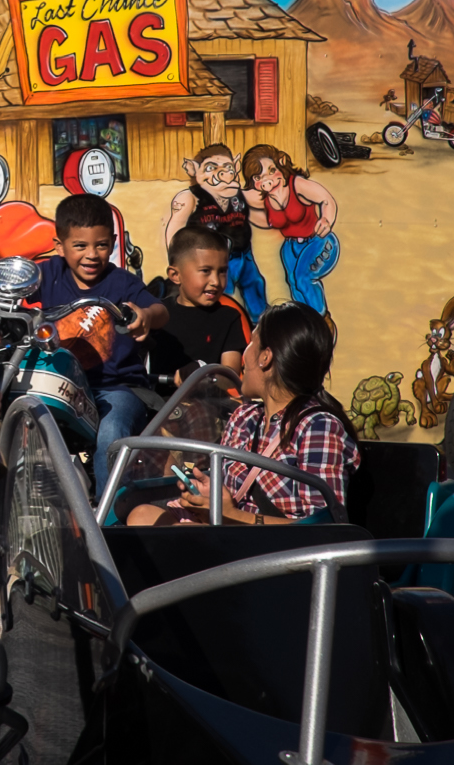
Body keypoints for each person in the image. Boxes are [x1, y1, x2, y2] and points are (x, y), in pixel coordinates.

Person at [128, 303, 359, 525]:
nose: (243, 356)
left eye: (249, 344)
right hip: (232, 536)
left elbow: (324, 528)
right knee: (142, 516)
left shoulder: (318, 427)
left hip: (276, 552)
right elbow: (231, 499)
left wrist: (231, 516)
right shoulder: (244, 417)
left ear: (265, 357)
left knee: (177, 535)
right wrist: (211, 496)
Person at [37, 193, 168, 494]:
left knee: (111, 432)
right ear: (60, 246)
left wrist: (146, 314)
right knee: (29, 418)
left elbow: (161, 311)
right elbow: (1, 271)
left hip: (118, 388)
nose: (92, 255)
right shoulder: (49, 274)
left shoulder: (122, 282)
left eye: (101, 245)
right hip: (61, 387)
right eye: (80, 246)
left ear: (113, 242)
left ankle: (111, 517)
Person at [160, 142, 268, 323]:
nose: (222, 173)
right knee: (220, 300)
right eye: (211, 168)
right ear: (194, 170)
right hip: (210, 264)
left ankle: (261, 328)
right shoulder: (190, 198)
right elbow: (174, 232)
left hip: (243, 255)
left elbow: (259, 214)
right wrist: (180, 264)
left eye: (227, 167)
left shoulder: (238, 194)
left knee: (255, 287)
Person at [240, 143, 340, 319]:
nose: (267, 180)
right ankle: (305, 319)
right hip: (291, 247)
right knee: (293, 282)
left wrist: (326, 219)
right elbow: (268, 222)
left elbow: (325, 199)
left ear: (281, 163)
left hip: (317, 240)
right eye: (258, 177)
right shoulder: (267, 199)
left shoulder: (297, 184)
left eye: (271, 171)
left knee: (303, 278)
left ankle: (321, 320)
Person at [143, 225, 251, 380]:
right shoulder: (159, 313)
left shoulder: (229, 318)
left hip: (211, 403)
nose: (215, 281)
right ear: (175, 275)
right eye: (205, 271)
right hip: (161, 403)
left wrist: (203, 373)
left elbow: (230, 376)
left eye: (222, 271)